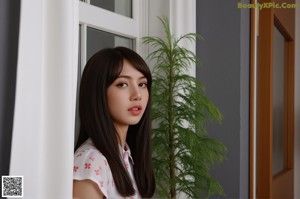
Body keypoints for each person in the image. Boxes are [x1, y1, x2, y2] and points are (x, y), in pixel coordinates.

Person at [73, 47, 155, 199]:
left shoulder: (127, 157)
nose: (137, 95)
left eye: (142, 84)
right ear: (98, 93)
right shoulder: (91, 162)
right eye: (122, 84)